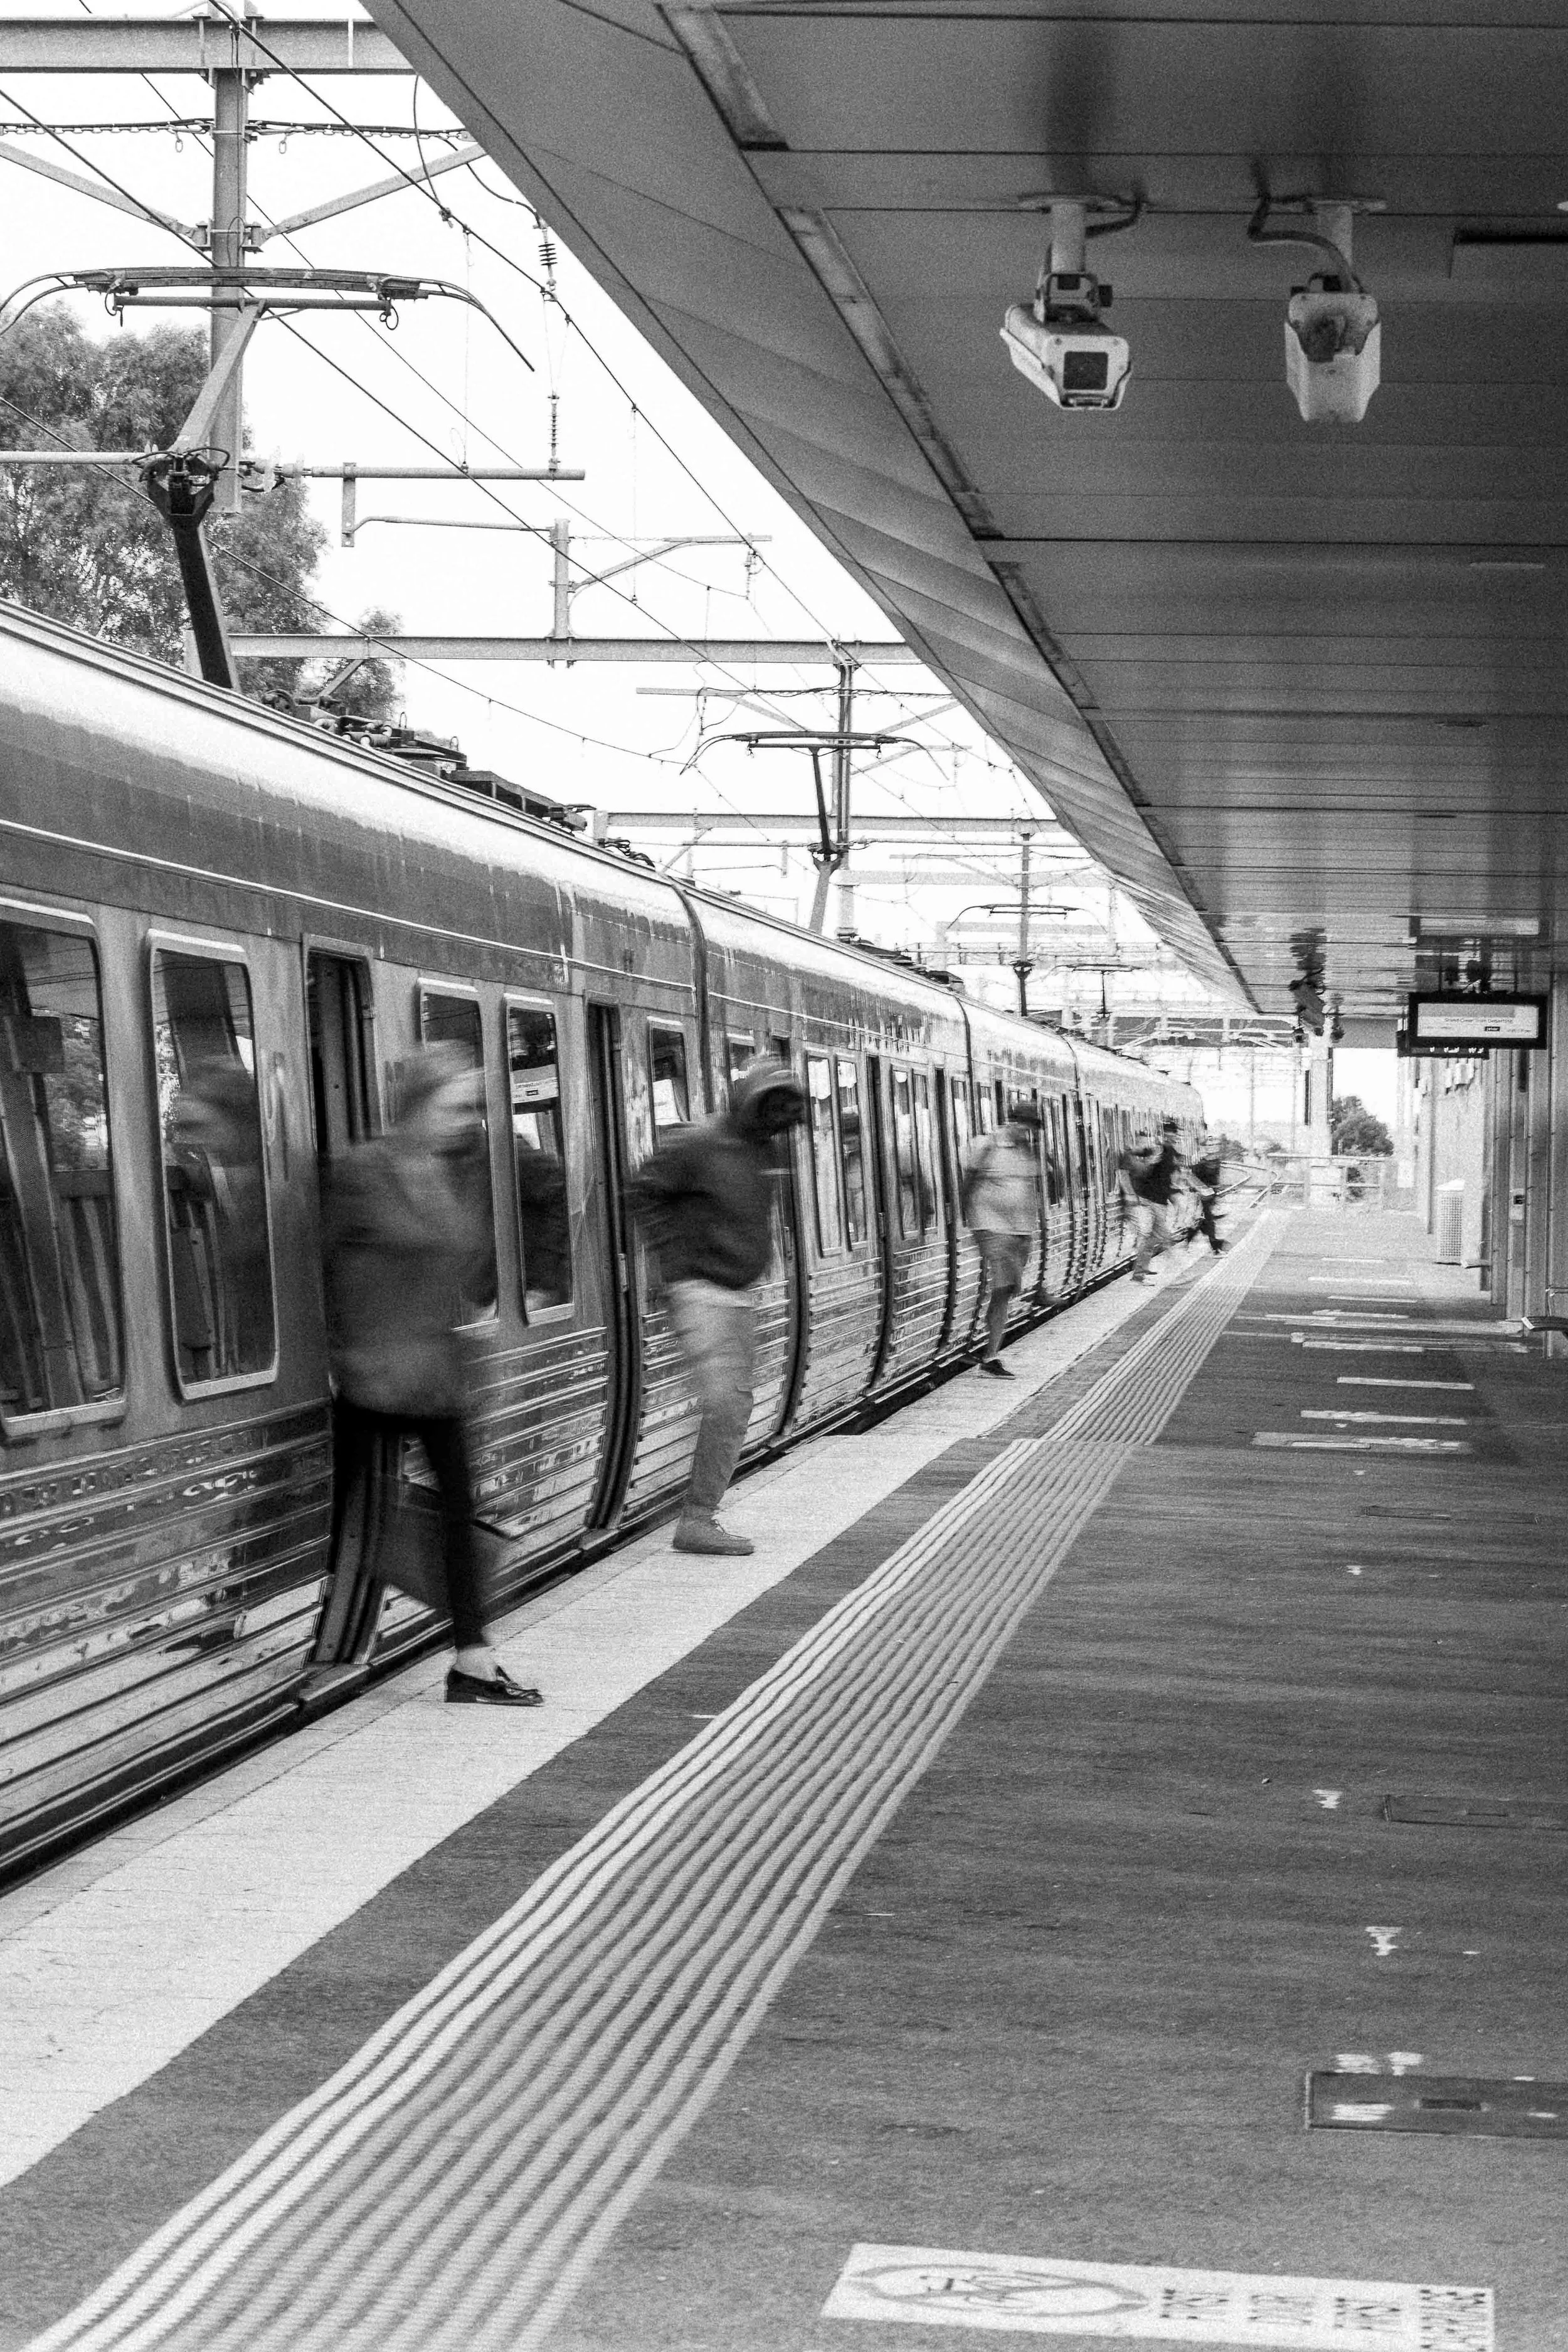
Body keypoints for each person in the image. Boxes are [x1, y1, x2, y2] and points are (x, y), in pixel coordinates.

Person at [324, 1042, 541, 1707]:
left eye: (469, 1107)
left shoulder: (451, 1176)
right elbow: (323, 1271)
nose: (463, 1120)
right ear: (417, 1104)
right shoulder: (360, 1172)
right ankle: (310, 1637)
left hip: (437, 1376)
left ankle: (473, 1661)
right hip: (368, 1378)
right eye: (454, 1106)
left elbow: (461, 1275)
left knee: (457, 1516)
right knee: (348, 1518)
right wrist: (343, 1354)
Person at [628, 1058, 807, 1556]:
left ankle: (700, 1513)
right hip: (700, 1291)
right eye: (773, 1111)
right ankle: (698, 1520)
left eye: (788, 1117)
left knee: (735, 1403)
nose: (780, 1124)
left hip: (735, 1294)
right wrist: (678, 1262)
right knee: (728, 1403)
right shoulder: (697, 1143)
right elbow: (642, 1193)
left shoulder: (763, 1150)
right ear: (750, 1102)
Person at [959, 1102, 1044, 1379]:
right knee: (1004, 1285)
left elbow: (1034, 1188)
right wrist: (972, 1222)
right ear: (1014, 1123)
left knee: (1007, 1291)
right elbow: (968, 1185)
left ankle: (991, 1349)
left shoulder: (1027, 1153)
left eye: (1032, 1129)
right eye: (1027, 1127)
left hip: (1020, 1230)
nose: (1028, 1133)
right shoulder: (986, 1146)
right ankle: (991, 1355)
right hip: (992, 1228)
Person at [1123, 1117, 1183, 1283]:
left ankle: (1139, 1273)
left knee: (1154, 1239)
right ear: (1165, 1135)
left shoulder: (1171, 1153)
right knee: (1165, 1238)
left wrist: (1174, 1196)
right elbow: (1136, 1154)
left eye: (1175, 1134)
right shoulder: (1159, 1150)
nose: (1174, 1137)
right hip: (1153, 1199)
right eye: (1171, 1134)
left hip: (1160, 1200)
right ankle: (1179, 1275)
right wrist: (1140, 1155)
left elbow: (1167, 1178)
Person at [1189, 1128, 1226, 1254]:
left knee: (1205, 1219)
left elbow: (1215, 1178)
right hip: (1203, 1193)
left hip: (1210, 1194)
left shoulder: (1215, 1160)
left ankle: (1190, 1236)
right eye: (1210, 1145)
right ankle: (1216, 1247)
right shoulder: (1199, 1160)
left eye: (1214, 1145)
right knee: (1208, 1219)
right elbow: (1194, 1177)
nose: (1213, 1147)